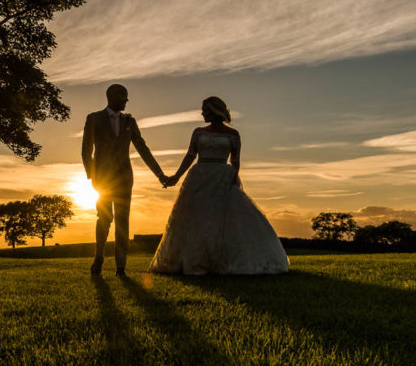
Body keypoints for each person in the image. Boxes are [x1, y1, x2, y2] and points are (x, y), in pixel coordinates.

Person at [149, 96, 288, 275]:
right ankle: (193, 260)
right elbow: (190, 156)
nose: (202, 113)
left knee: (223, 219)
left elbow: (236, 161)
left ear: (214, 111)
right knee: (196, 219)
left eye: (205, 110)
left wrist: (232, 178)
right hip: (199, 177)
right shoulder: (198, 132)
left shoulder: (233, 134)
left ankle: (223, 259)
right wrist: (176, 176)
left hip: (223, 176)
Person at [82, 84, 167, 276]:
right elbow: (86, 150)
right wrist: (91, 176)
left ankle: (121, 267)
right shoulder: (94, 118)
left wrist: (159, 174)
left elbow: (143, 149)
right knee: (104, 218)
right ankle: (99, 257)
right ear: (113, 96)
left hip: (125, 178)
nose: (127, 100)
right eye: (125, 97)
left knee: (122, 221)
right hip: (103, 179)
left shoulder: (130, 121)